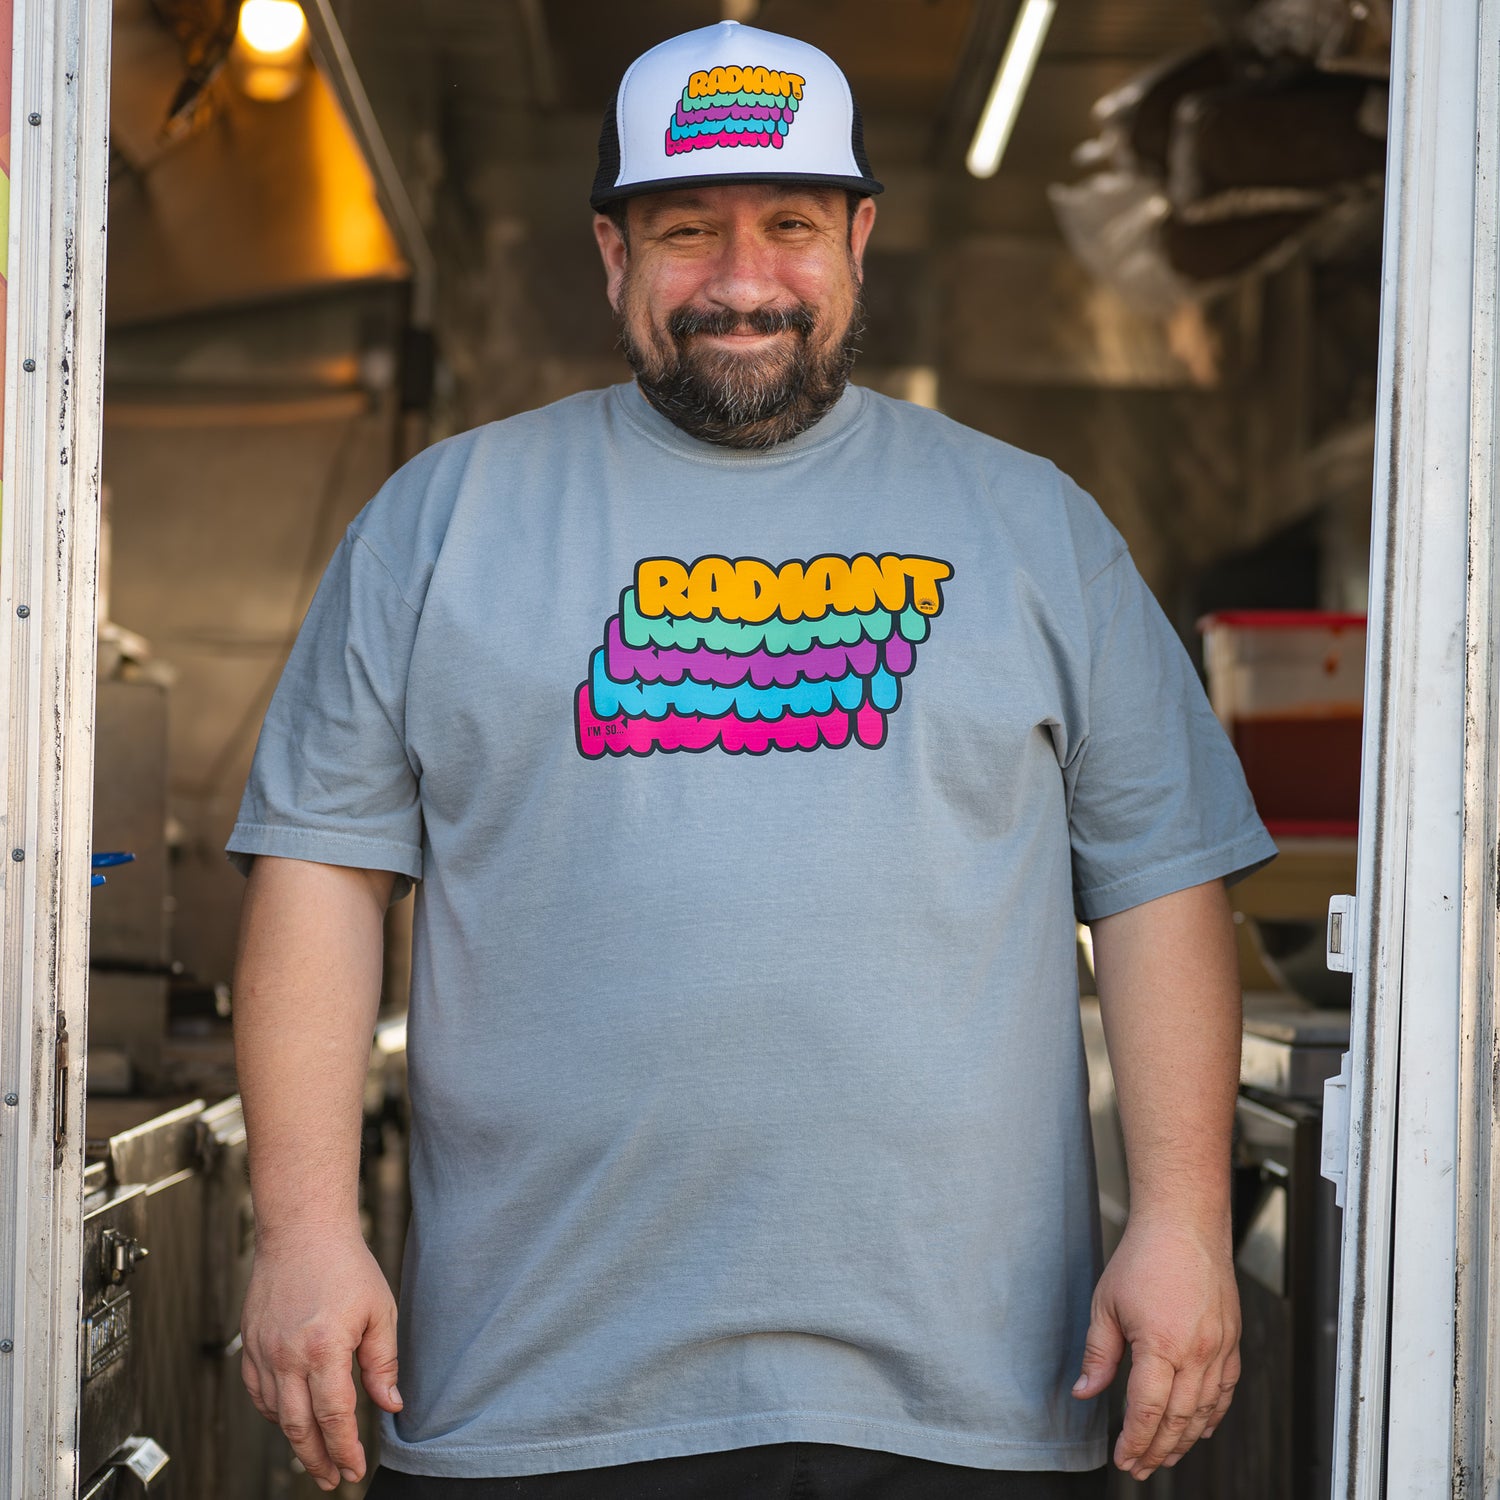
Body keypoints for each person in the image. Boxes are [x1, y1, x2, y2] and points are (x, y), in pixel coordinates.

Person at [228, 19, 1276, 1500]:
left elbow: (1162, 885)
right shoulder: (441, 520)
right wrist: (304, 1232)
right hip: (537, 1393)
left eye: (788, 226)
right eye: (685, 231)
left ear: (857, 236)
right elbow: (322, 876)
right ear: (611, 251)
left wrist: (1178, 1221)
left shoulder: (1034, 527)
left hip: (965, 1396)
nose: (742, 282)